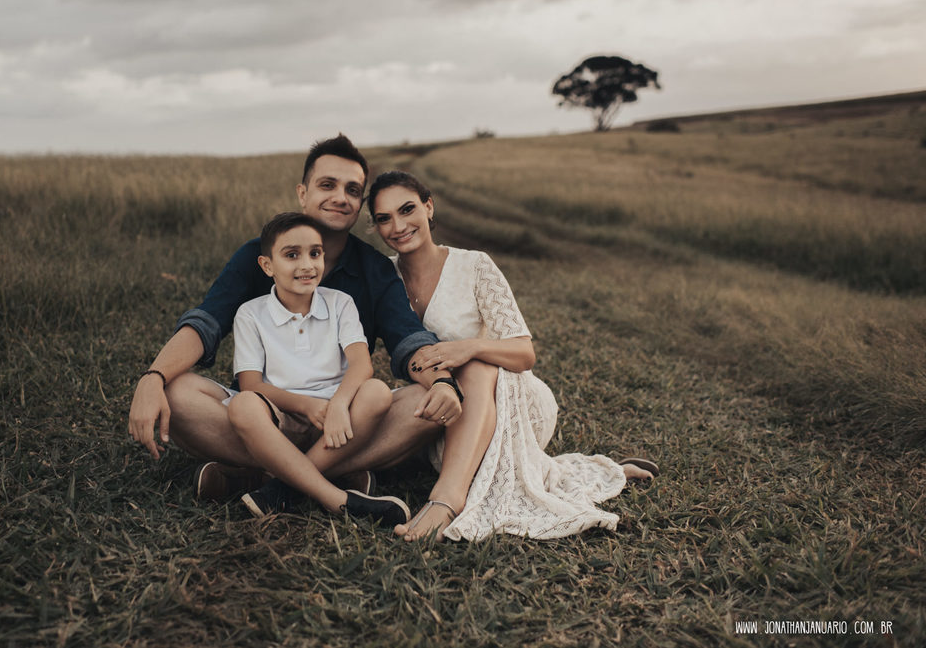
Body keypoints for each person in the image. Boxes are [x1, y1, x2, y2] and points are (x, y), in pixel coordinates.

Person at [127, 135, 471, 499]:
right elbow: (205, 324)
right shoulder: (257, 256)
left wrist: (442, 383)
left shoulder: (373, 269)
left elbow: (409, 341)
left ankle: (265, 479)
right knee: (177, 393)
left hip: (343, 417)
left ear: (359, 205)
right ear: (303, 193)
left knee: (425, 403)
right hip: (267, 414)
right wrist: (153, 377)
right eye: (327, 185)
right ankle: (336, 473)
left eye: (353, 190)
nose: (341, 197)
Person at [367, 170, 657, 542]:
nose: (398, 226)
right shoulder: (384, 276)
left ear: (429, 207)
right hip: (441, 410)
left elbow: (524, 353)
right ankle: (580, 471)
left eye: (407, 210)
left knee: (476, 366)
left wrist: (471, 347)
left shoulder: (475, 265)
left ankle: (447, 499)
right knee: (403, 414)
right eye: (384, 218)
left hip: (507, 398)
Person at [225, 212, 411, 526]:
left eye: (315, 253)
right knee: (242, 406)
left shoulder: (340, 302)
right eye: (291, 255)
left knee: (378, 393)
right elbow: (251, 385)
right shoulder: (250, 314)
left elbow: (361, 364)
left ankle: (280, 487)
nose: (307, 265)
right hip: (280, 420)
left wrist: (337, 404)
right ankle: (337, 498)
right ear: (267, 265)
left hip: (338, 423)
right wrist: (307, 405)